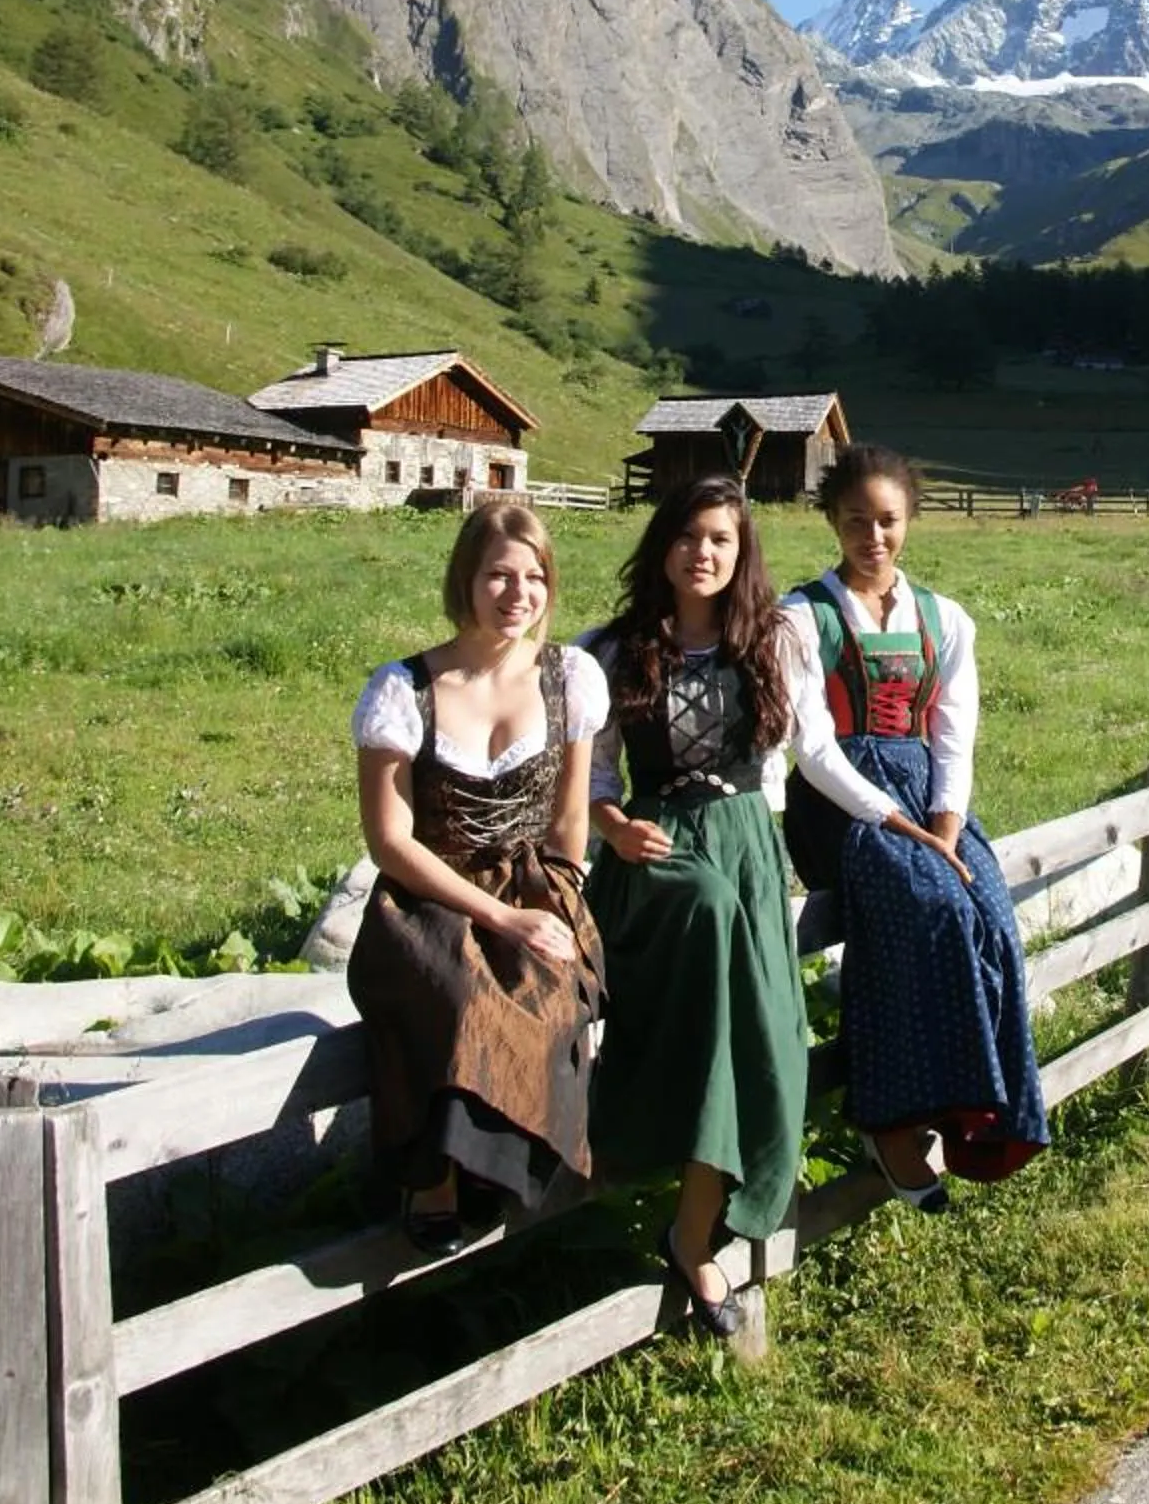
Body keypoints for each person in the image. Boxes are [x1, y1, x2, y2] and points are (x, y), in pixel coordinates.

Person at [585, 473, 951, 1336]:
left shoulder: (776, 639)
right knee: (708, 994)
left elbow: (814, 752)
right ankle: (685, 1233)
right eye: (687, 536)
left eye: (720, 538)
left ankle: (695, 1228)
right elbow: (595, 779)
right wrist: (615, 828)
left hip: (750, 845)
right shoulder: (610, 649)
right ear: (661, 545)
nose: (702, 553)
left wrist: (896, 819)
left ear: (741, 550)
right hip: (660, 856)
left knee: (765, 1045)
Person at [784, 442, 1048, 1212]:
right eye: (857, 521)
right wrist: (895, 822)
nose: (873, 537)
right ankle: (890, 1119)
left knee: (991, 916)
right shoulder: (801, 617)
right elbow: (812, 747)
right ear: (833, 520)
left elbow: (953, 734)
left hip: (927, 797)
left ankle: (972, 1108)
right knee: (929, 903)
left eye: (888, 521)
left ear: (910, 522)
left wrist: (945, 821)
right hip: (841, 808)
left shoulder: (946, 618)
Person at [348, 500, 606, 1254]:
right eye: (499, 575)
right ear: (466, 580)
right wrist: (495, 918)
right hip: (429, 891)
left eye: (535, 578)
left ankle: (505, 1172)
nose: (518, 594)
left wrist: (559, 905)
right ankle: (434, 1173)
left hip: (534, 883)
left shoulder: (569, 678)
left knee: (547, 993)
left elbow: (568, 824)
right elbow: (390, 840)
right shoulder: (404, 689)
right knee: (453, 991)